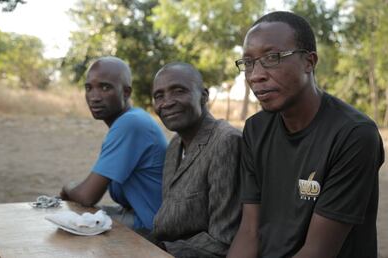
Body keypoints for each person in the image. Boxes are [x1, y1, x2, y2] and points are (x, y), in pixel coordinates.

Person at [228, 11, 384, 258]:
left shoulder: (354, 135)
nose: (255, 74)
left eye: (272, 57)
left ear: (309, 62)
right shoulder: (256, 129)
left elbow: (318, 251)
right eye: (248, 62)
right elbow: (250, 232)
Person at [60, 56, 167, 232]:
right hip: (138, 215)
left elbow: (87, 196)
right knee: (71, 218)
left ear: (126, 92)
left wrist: (68, 187)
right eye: (89, 88)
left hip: (152, 226)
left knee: (69, 226)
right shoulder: (130, 120)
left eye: (105, 87)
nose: (94, 97)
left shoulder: (130, 124)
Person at [151, 62, 242, 258]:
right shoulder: (175, 144)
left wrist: (157, 252)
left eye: (178, 91)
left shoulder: (225, 142)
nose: (167, 102)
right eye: (159, 96)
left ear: (204, 95)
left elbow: (222, 240)